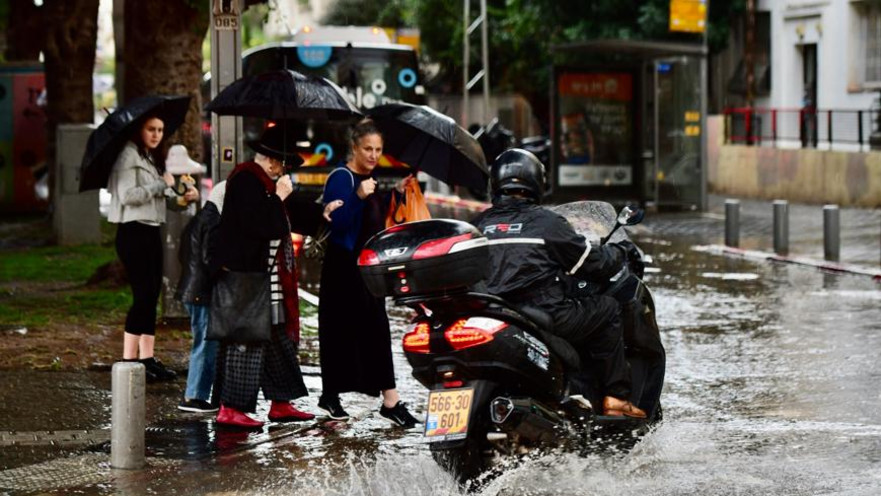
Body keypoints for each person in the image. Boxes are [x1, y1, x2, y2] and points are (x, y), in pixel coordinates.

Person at [470, 148, 646, 418]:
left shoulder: (477, 225)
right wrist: (619, 252)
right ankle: (616, 397)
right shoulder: (547, 223)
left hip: (489, 314)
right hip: (544, 313)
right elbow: (591, 263)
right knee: (608, 308)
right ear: (535, 183)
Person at [212, 125, 342, 428]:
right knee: (245, 345)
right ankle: (231, 408)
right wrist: (279, 195)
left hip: (268, 282)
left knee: (278, 342)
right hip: (247, 281)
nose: (284, 170)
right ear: (271, 161)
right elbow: (260, 223)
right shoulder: (245, 180)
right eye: (283, 163)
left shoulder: (266, 184)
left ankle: (281, 402)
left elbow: (290, 213)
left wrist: (322, 212)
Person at [317, 118, 420, 428]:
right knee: (338, 333)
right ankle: (333, 396)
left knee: (374, 331)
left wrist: (395, 194)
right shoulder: (341, 178)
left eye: (378, 150)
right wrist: (359, 196)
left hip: (365, 269)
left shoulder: (370, 179)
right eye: (367, 149)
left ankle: (389, 400)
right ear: (354, 147)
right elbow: (339, 224)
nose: (374, 155)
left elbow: (373, 218)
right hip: (342, 268)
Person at [107, 112, 199, 382]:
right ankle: (129, 359)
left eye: (160, 130)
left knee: (152, 294)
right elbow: (129, 196)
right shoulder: (127, 156)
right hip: (133, 231)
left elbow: (166, 199)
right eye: (151, 129)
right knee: (142, 295)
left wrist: (184, 198)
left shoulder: (150, 157)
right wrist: (161, 183)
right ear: (139, 130)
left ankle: (147, 359)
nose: (157, 134)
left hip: (150, 230)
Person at [175, 181, 226, 413]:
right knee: (205, 344)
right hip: (201, 292)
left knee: (205, 343)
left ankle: (198, 394)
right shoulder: (214, 222)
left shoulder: (201, 218)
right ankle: (194, 396)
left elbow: (182, 254)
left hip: (193, 290)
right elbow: (210, 259)